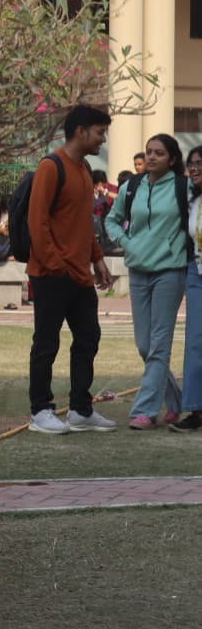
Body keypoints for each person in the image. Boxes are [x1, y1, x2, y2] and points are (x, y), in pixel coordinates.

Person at [25, 105, 116, 436]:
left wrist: (98, 259)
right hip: (52, 274)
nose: (102, 139)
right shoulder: (51, 167)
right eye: (99, 132)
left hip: (79, 274)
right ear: (81, 131)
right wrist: (55, 265)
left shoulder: (85, 169)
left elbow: (84, 222)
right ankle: (41, 410)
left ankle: (80, 409)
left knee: (88, 337)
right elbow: (38, 221)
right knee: (47, 343)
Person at [107, 134, 189, 430]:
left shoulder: (184, 187)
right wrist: (126, 242)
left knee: (159, 344)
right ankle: (176, 401)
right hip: (138, 270)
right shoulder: (132, 187)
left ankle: (146, 410)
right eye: (149, 152)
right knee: (144, 345)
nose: (152, 157)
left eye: (159, 153)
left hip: (170, 270)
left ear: (172, 159)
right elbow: (112, 220)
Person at [174, 147, 202, 434]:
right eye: (191, 164)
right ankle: (195, 409)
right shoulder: (191, 199)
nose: (194, 168)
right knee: (195, 342)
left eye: (199, 163)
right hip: (196, 272)